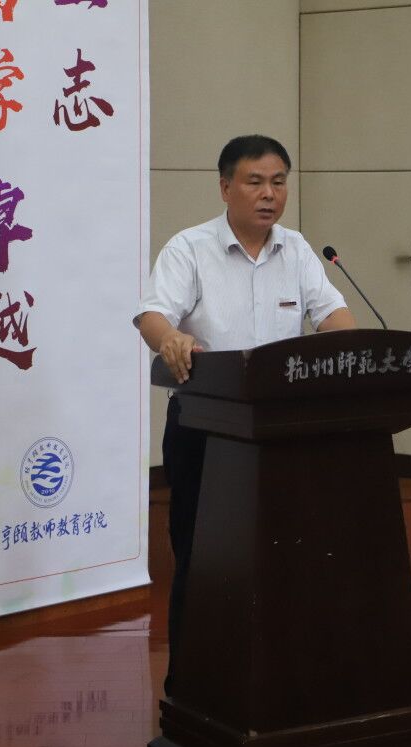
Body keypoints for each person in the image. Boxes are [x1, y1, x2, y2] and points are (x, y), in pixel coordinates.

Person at [133, 134, 356, 694]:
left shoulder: (297, 250)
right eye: (255, 182)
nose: (269, 194)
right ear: (225, 187)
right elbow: (152, 315)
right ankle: (193, 686)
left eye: (278, 182)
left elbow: (333, 316)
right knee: (204, 558)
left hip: (284, 433)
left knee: (286, 555)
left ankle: (282, 678)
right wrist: (171, 339)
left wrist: (359, 353)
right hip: (206, 429)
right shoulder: (190, 248)